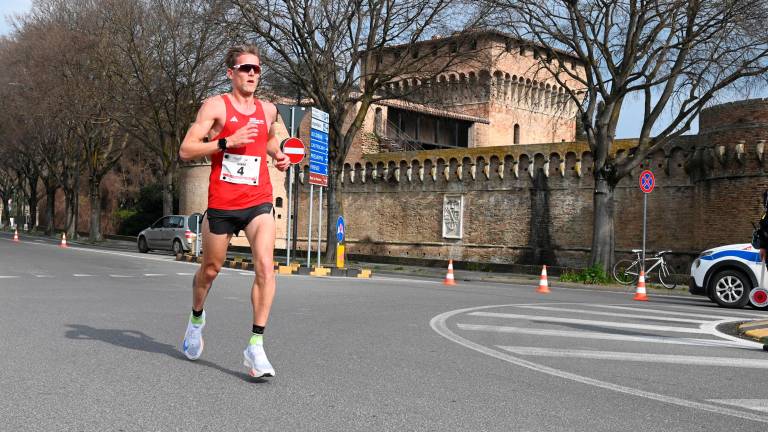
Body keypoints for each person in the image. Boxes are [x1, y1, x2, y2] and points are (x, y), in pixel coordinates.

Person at [178, 44, 290, 377]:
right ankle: (196, 318)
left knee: (266, 268)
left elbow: (267, 141)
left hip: (258, 200)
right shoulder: (216, 107)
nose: (252, 74)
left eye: (256, 69)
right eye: (245, 68)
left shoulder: (268, 110)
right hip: (222, 205)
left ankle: (255, 347)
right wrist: (227, 141)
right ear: (231, 73)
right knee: (210, 270)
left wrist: (278, 154)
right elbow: (186, 149)